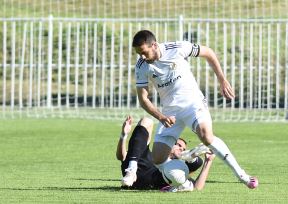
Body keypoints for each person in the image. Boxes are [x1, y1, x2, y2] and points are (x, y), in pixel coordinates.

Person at [132, 30, 258, 190]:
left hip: (193, 104)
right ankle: (185, 181)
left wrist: (222, 79)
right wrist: (161, 116)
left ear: (154, 45)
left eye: (143, 52)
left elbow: (209, 53)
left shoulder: (177, 48)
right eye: (138, 54)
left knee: (206, 136)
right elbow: (143, 99)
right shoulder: (142, 67)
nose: (141, 57)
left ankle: (242, 175)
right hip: (170, 113)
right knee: (158, 158)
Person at [116, 116, 215, 191]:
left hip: (161, 178)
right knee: (147, 120)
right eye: (178, 145)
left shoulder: (175, 168)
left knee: (194, 164)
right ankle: (131, 171)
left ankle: (189, 156)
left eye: (183, 148)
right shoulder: (146, 155)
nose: (180, 148)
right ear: (168, 144)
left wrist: (208, 161)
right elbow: (122, 156)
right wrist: (123, 135)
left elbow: (197, 187)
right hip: (136, 176)